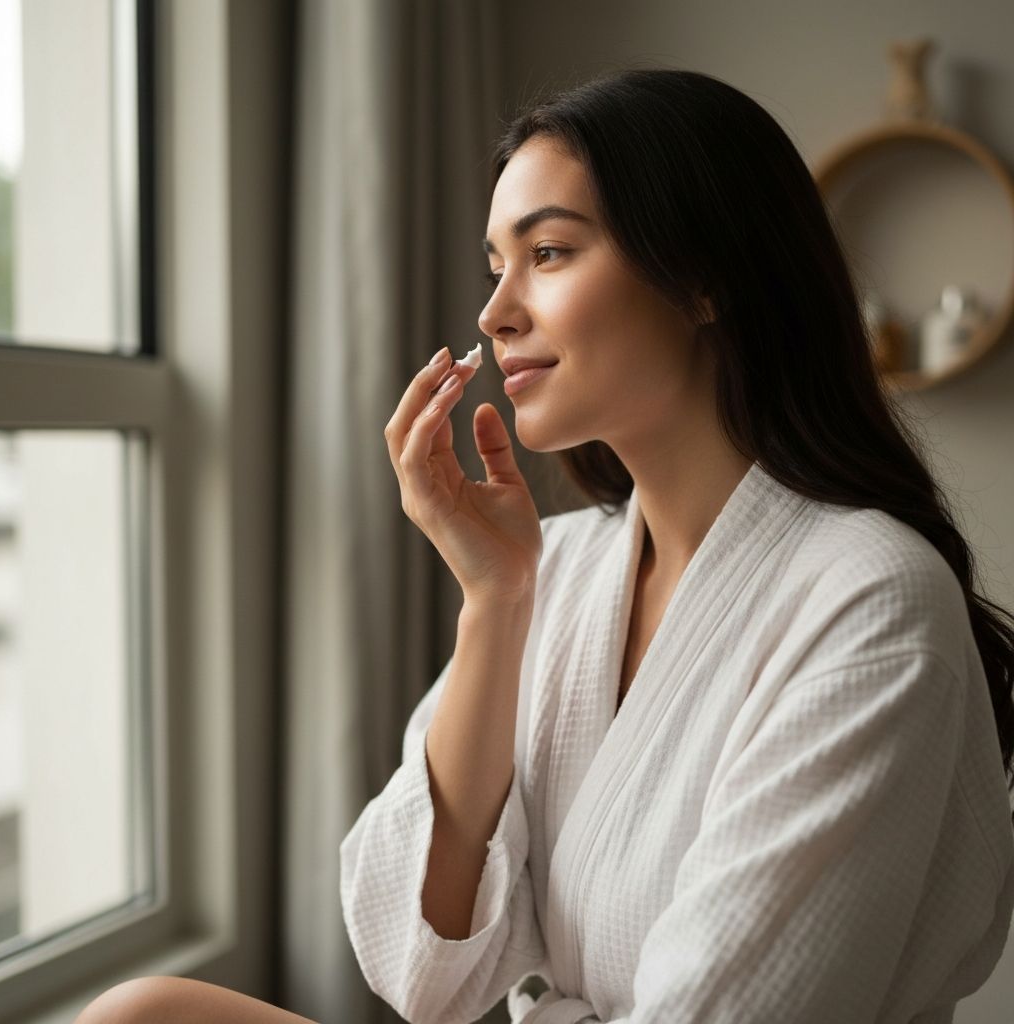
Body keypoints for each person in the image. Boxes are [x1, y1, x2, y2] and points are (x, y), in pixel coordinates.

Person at [341, 66, 1014, 1024]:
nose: (495, 314)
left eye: (549, 253)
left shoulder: (872, 598)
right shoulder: (558, 570)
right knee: (149, 1010)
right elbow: (421, 969)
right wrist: (494, 604)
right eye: (496, 266)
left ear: (703, 278)